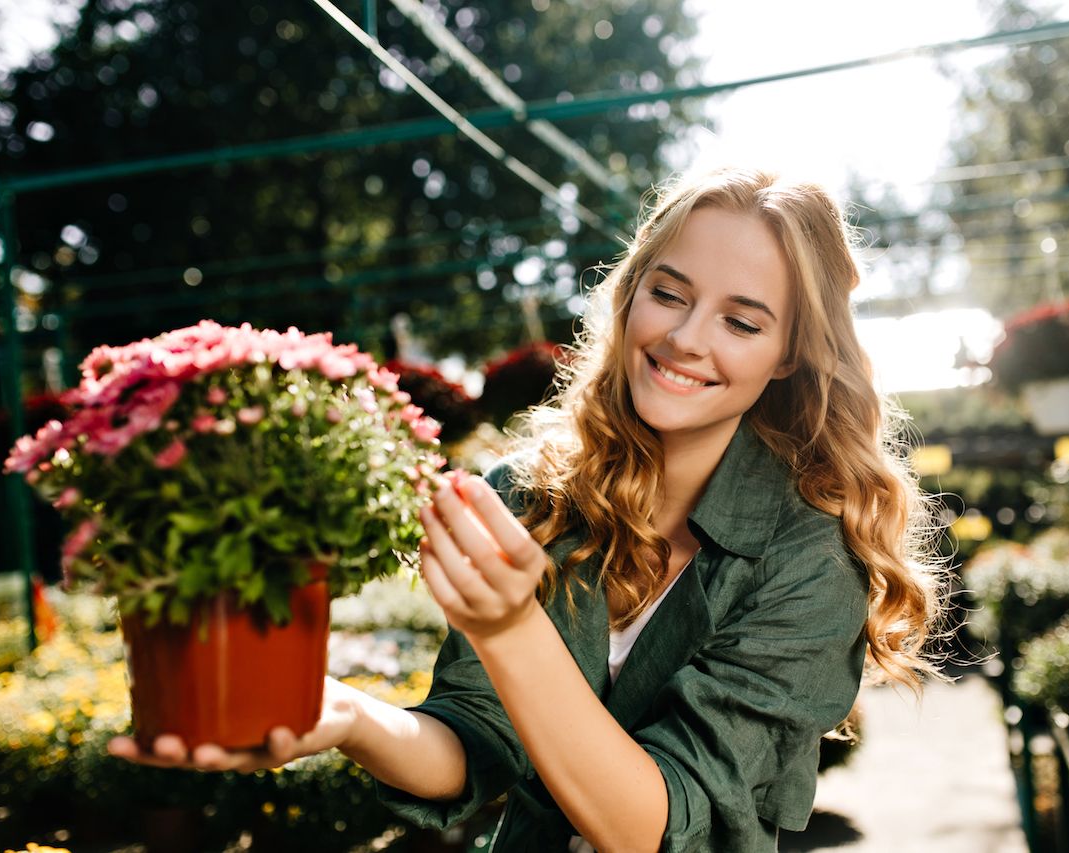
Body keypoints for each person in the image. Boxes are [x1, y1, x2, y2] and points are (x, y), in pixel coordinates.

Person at [110, 166, 947, 851]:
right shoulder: (532, 495)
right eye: (669, 292)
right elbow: (476, 739)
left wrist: (514, 629)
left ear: (790, 355)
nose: (689, 337)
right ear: (628, 296)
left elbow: (653, 826)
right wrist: (348, 716)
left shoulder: (808, 558)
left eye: (740, 320)